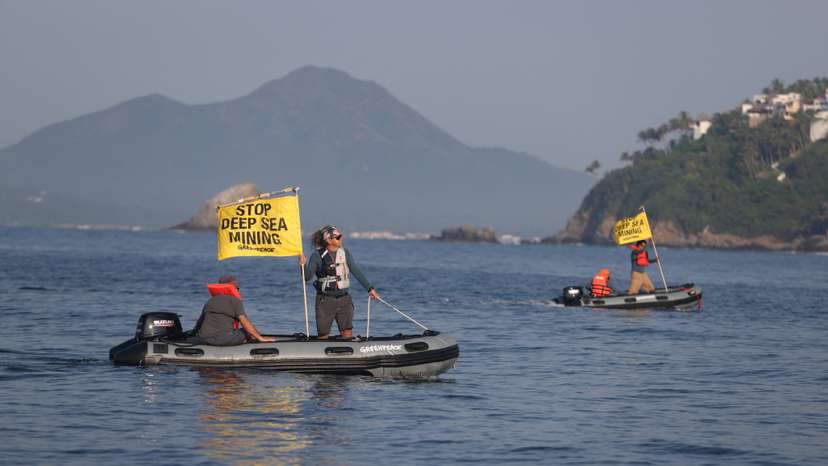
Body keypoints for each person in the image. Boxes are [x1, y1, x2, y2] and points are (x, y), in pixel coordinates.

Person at [299, 225, 379, 340]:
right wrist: (302, 265)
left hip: (344, 300)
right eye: (338, 237)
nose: (341, 239)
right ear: (329, 240)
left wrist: (370, 289)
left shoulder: (345, 253)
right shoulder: (316, 256)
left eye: (340, 236)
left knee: (347, 333)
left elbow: (356, 271)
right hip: (325, 301)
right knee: (323, 336)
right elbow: (307, 277)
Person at [195, 275, 275, 345]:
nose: (238, 290)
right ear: (233, 288)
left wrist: (193, 333)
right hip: (222, 339)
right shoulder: (235, 301)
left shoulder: (210, 301)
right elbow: (244, 321)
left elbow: (200, 323)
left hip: (204, 338)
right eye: (237, 288)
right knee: (246, 331)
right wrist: (260, 337)